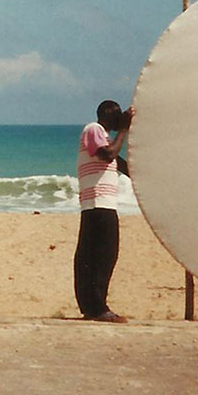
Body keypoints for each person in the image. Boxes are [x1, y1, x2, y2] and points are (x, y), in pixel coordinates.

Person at [74, 99, 134, 323]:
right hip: (100, 204)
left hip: (97, 204)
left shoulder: (104, 139)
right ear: (109, 116)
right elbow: (108, 155)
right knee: (104, 255)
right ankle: (98, 308)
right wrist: (124, 131)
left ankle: (91, 307)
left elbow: (121, 163)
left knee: (91, 256)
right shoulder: (94, 129)